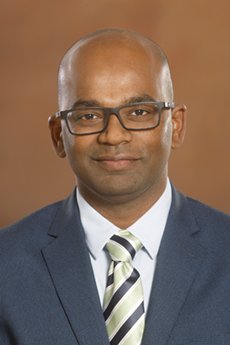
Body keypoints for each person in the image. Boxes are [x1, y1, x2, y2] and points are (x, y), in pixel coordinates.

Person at [0, 28, 229, 345]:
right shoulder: (6, 266)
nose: (113, 135)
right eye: (89, 115)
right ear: (58, 135)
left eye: (138, 112)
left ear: (175, 126)